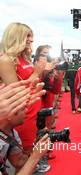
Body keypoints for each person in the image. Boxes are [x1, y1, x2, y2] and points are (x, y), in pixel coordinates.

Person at [0, 22, 48, 154]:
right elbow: (16, 93)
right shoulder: (6, 60)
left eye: (31, 36)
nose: (31, 39)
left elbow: (32, 82)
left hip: (35, 111)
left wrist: (42, 71)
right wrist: (37, 72)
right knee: (25, 156)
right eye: (27, 36)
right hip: (23, 115)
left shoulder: (23, 59)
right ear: (15, 36)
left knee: (32, 154)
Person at [0, 80, 49, 175]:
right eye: (23, 108)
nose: (27, 110)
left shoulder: (11, 132)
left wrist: (36, 146)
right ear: (9, 115)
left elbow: (19, 162)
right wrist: (35, 157)